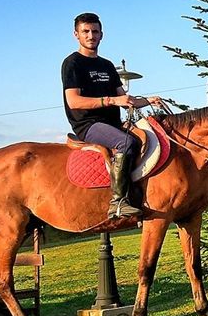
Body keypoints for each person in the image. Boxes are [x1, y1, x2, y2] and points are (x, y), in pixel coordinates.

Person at [62, 12, 154, 218]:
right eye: (85, 31)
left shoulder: (107, 65)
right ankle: (118, 202)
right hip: (88, 124)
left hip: (112, 123)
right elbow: (73, 101)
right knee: (126, 143)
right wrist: (111, 101)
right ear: (76, 35)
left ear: (101, 34)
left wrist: (150, 100)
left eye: (95, 31)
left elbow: (124, 98)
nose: (91, 36)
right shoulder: (72, 63)